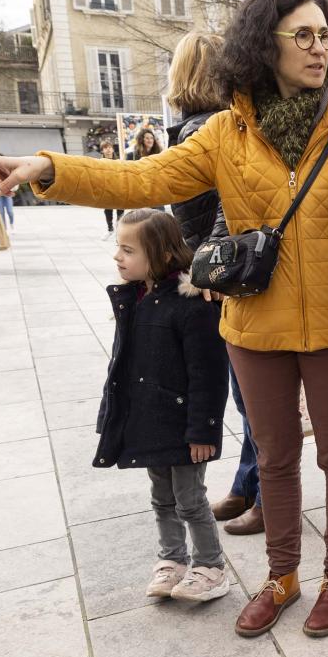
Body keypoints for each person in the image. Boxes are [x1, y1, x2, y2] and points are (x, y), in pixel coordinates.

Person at [0, 0, 328, 639]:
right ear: (266, 44)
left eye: (325, 36)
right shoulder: (227, 133)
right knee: (275, 457)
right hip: (253, 325)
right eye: (303, 35)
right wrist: (47, 167)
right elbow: (143, 179)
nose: (319, 47)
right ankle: (282, 575)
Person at [157, 30, 264, 535]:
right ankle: (249, 485)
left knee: (252, 397)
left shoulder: (204, 130)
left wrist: (208, 266)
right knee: (248, 395)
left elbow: (228, 206)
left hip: (221, 279)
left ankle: (266, 493)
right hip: (222, 275)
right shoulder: (215, 125)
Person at [96, 209, 233, 603]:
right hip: (150, 420)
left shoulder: (190, 304)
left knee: (191, 499)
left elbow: (208, 372)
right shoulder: (136, 298)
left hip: (184, 425)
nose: (118, 258)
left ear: (158, 254)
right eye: (117, 248)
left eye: (127, 250)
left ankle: (210, 566)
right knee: (162, 498)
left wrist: (204, 430)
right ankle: (172, 559)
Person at [97, 141, 122, 239]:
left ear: (113, 149)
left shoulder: (118, 161)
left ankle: (119, 232)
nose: (108, 149)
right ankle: (110, 229)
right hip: (106, 189)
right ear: (102, 150)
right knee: (108, 210)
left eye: (110, 147)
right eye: (105, 148)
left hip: (119, 188)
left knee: (120, 211)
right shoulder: (99, 162)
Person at [0, 153, 16, 229]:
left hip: (7, 193)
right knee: (1, 212)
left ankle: (11, 223)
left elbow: (15, 178)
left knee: (10, 211)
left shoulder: (8, 168)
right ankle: (4, 228)